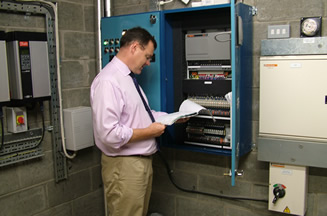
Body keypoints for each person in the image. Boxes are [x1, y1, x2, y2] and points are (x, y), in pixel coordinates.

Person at [90, 27, 167, 216]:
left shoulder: (127, 78)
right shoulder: (108, 81)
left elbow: (141, 116)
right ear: (134, 47)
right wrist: (150, 132)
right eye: (147, 57)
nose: (148, 63)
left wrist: (173, 118)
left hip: (137, 165)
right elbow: (109, 134)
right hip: (124, 168)